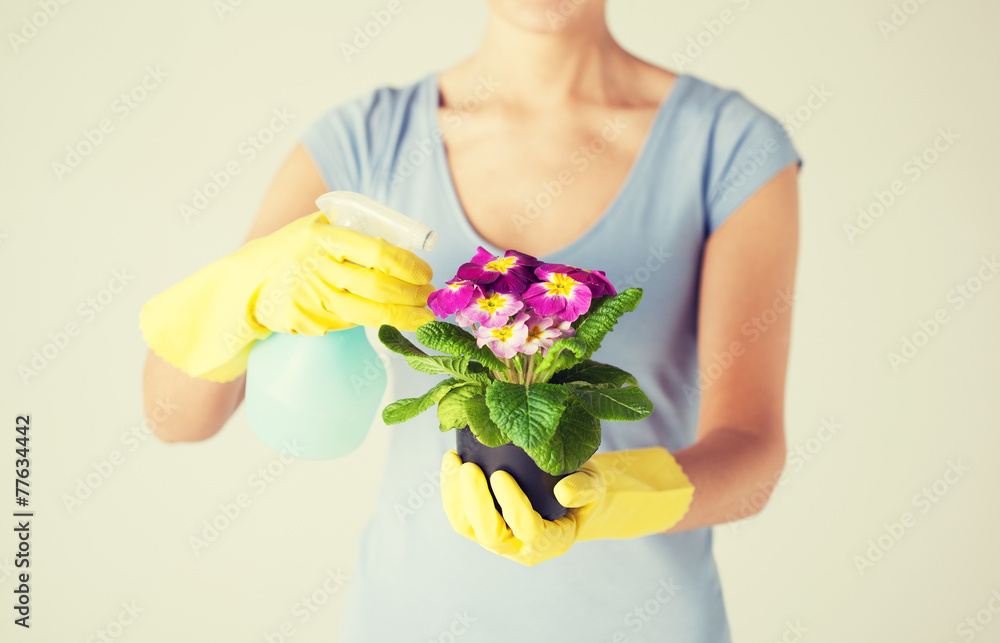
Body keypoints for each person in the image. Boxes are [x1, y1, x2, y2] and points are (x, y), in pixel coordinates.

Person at [140, 0, 800, 640]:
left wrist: (612, 496)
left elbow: (753, 454)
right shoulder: (366, 141)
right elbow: (175, 414)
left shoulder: (730, 145)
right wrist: (246, 291)